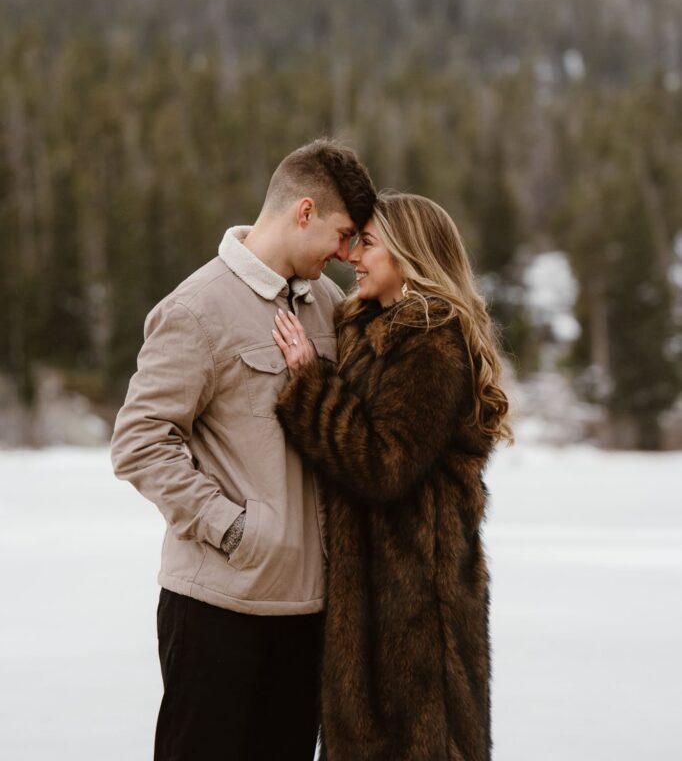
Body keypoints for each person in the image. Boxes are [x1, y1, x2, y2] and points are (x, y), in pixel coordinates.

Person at [110, 138, 376, 761]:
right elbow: (140, 441)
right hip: (217, 609)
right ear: (303, 211)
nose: (345, 254)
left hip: (308, 614)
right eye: (341, 234)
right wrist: (233, 529)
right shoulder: (197, 309)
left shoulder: (329, 307)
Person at [273, 192, 512, 761]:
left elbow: (384, 465)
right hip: (375, 613)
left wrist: (309, 384)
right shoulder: (375, 332)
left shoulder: (432, 341)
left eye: (369, 243)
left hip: (415, 625)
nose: (353, 256)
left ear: (409, 255)